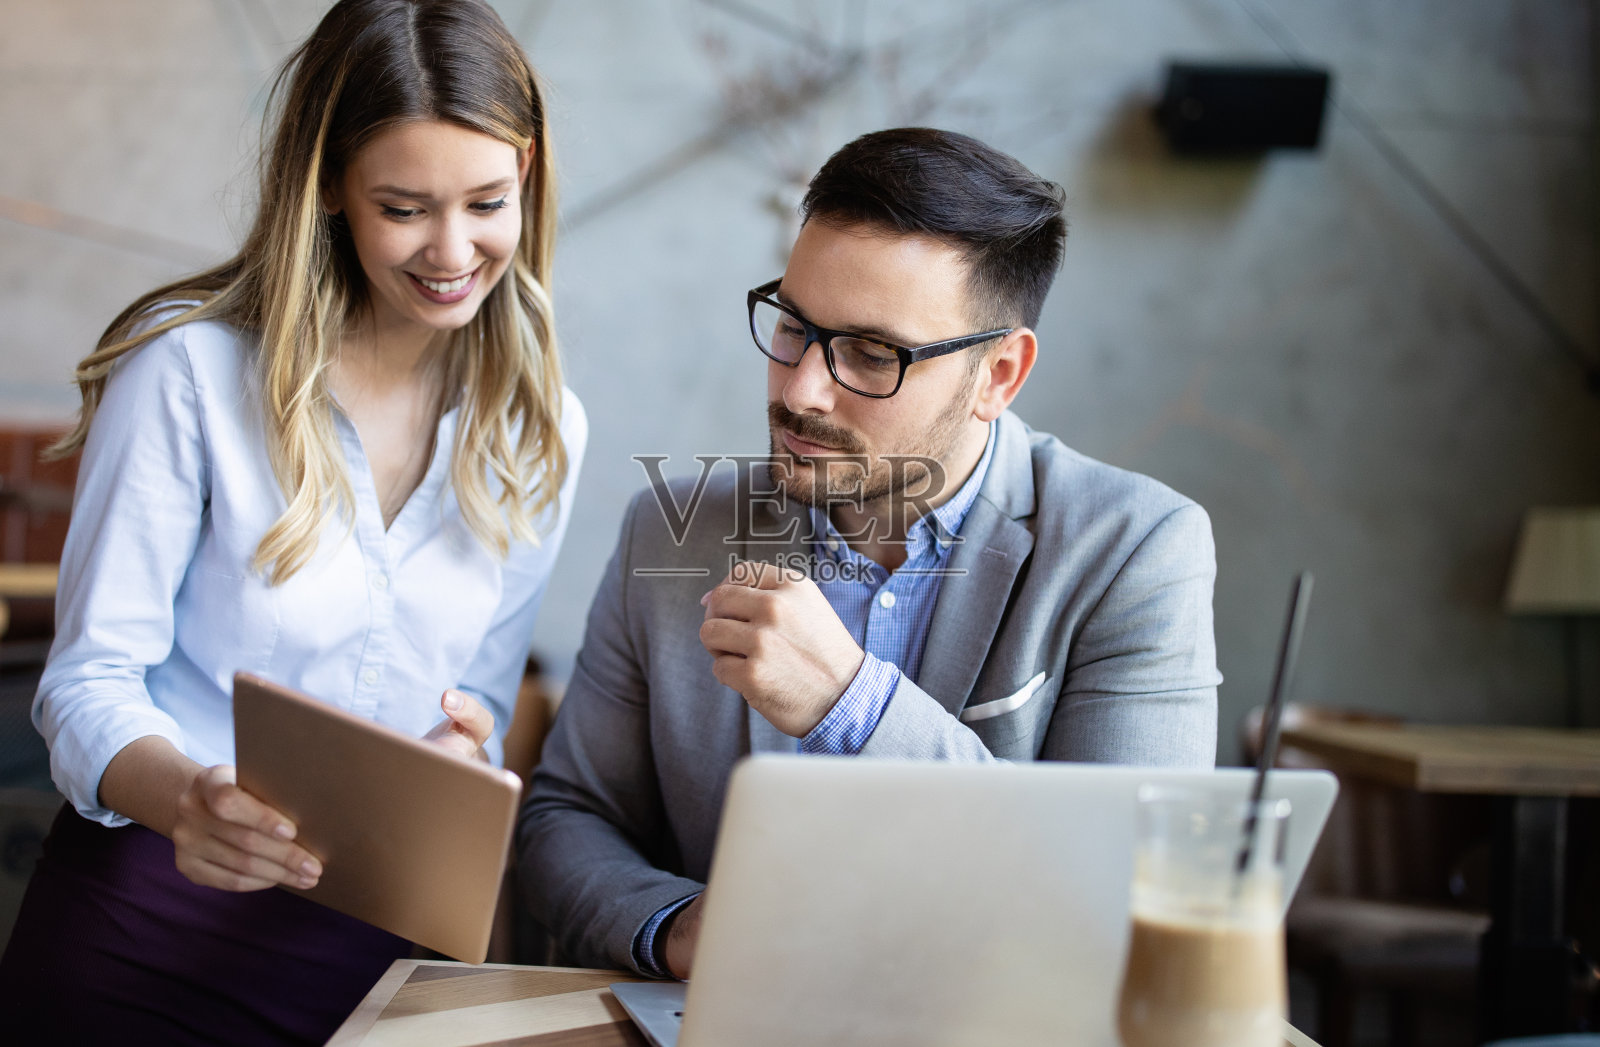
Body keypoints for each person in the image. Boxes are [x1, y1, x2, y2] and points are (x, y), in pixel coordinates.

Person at [0, 1, 584, 1043]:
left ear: (526, 173)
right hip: (144, 934)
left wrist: (459, 758)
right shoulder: (186, 372)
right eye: (404, 208)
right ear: (329, 186)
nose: (453, 249)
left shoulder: (541, 429)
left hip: (379, 961)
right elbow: (87, 680)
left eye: (486, 201)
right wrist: (189, 799)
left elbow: (484, 702)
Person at [519, 127, 1219, 981]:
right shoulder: (671, 530)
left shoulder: (1137, 549)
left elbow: (1131, 900)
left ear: (999, 375)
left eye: (871, 353)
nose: (801, 389)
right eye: (794, 326)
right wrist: (675, 927)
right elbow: (567, 816)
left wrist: (852, 702)